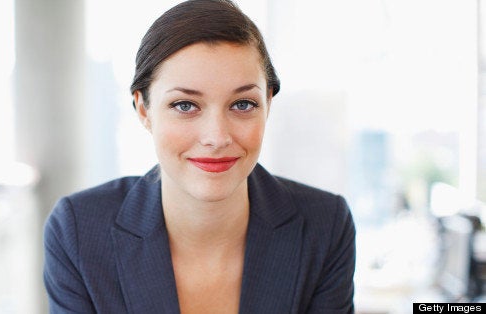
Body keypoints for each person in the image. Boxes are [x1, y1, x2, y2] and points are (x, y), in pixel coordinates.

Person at [43, 0, 356, 313]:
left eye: (243, 104)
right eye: (185, 106)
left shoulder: (325, 227)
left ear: (268, 105)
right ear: (143, 110)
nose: (217, 137)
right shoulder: (78, 231)